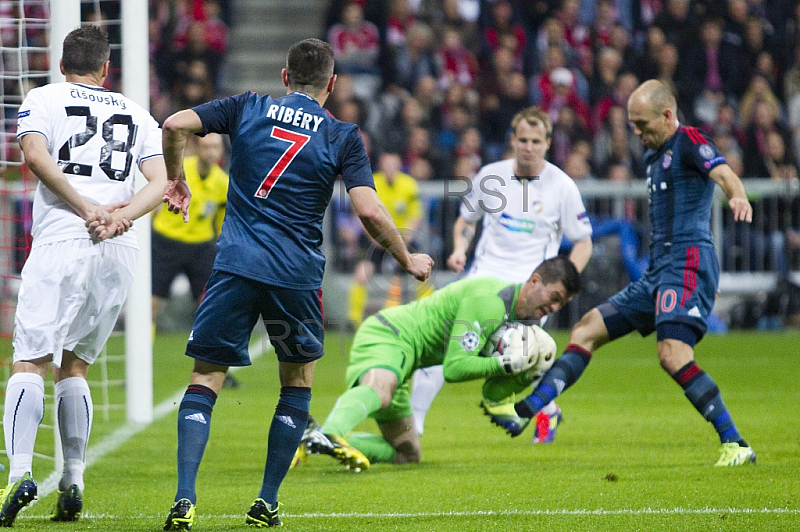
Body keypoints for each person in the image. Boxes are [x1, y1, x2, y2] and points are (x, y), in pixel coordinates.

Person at [160, 38, 433, 530]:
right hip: (295, 278)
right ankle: (265, 501)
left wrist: (176, 178)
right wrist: (405, 255)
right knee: (296, 383)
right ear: (332, 84)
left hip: (236, 267)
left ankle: (184, 499)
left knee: (206, 378)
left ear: (285, 77)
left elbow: (176, 123)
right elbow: (368, 209)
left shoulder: (247, 106)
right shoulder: (342, 135)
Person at [484, 79, 757, 467]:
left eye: (642, 123)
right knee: (586, 329)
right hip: (658, 271)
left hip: (688, 264)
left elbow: (725, 174)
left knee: (672, 353)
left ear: (667, 115)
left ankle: (736, 443)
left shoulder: (690, 141)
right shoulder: (653, 155)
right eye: (632, 123)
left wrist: (738, 195)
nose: (636, 131)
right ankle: (529, 409)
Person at [1, 25, 168, 526]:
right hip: (118, 249)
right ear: (105, 69)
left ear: (60, 65)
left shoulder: (43, 98)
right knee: (75, 366)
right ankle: (73, 479)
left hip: (63, 241)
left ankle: (22, 472)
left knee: (29, 360)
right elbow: (160, 183)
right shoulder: (138, 113)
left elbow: (34, 156)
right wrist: (119, 217)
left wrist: (85, 207)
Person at [410, 106, 593, 444]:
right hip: (482, 283)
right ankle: (413, 429)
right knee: (439, 351)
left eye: (536, 141)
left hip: (528, 294)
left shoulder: (562, 187)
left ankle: (544, 411)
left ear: (548, 143)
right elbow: (466, 221)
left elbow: (583, 242)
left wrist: (561, 287)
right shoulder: (490, 176)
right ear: (512, 140)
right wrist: (459, 249)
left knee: (525, 357)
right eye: (522, 139)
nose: (528, 147)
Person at [299, 256, 581, 470]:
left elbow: (490, 393)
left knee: (406, 454)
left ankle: (310, 440)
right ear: (534, 281)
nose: (555, 308)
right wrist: (505, 365)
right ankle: (330, 433)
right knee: (382, 389)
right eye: (554, 297)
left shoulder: (523, 327)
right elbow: (454, 368)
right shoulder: (490, 302)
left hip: (408, 360)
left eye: (561, 304)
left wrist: (520, 375)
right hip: (391, 334)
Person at [151, 133, 228, 331]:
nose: (211, 152)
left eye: (215, 147)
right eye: (206, 147)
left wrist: (222, 246)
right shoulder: (180, 170)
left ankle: (205, 347)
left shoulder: (222, 182)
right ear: (196, 147)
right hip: (166, 240)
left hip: (200, 246)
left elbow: (221, 220)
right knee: (152, 300)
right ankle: (144, 351)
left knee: (209, 301)